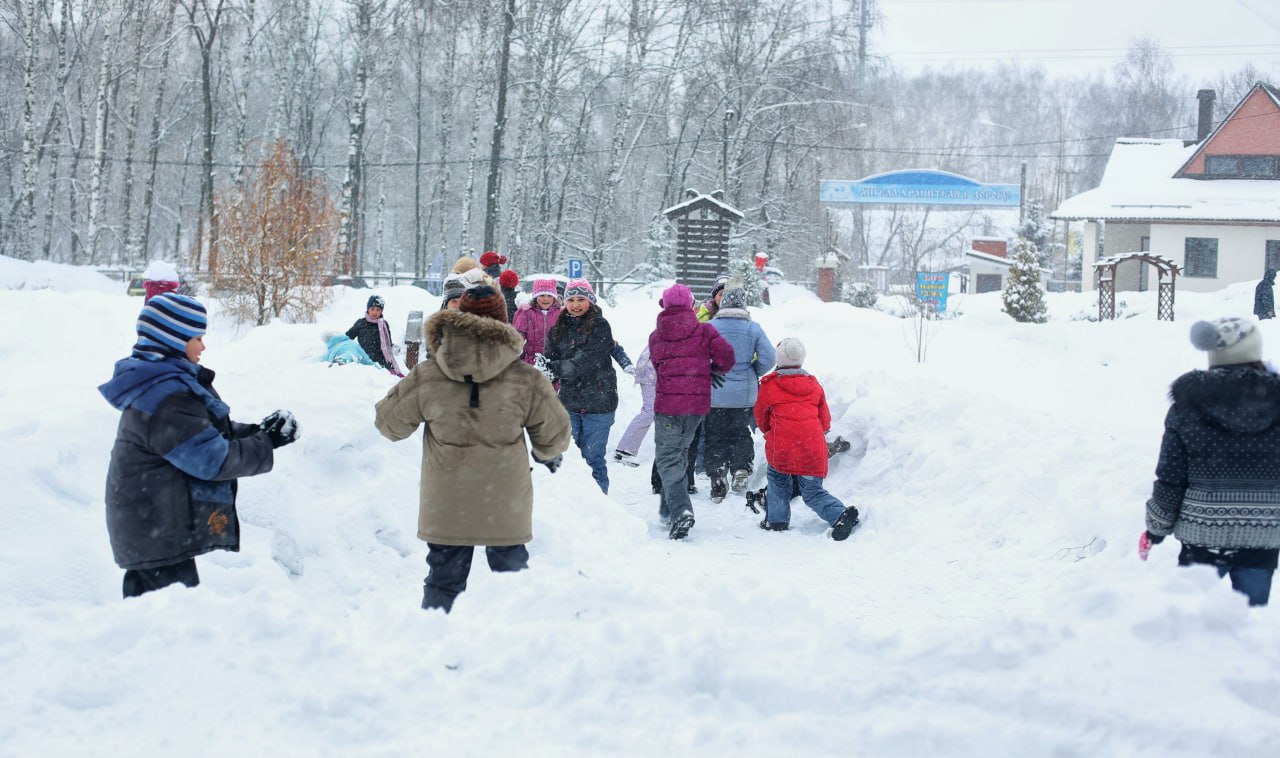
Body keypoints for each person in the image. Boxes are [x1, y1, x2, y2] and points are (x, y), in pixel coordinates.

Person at [374, 285, 571, 613]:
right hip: (505, 500)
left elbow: (389, 424)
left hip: (447, 501)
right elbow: (554, 439)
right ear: (503, 323)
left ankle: (436, 636)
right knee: (514, 588)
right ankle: (518, 641)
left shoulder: (428, 375)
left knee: (443, 585)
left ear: (457, 320)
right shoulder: (525, 379)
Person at [98, 293, 299, 598]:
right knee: (169, 618)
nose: (203, 346)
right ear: (174, 340)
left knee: (157, 616)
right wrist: (265, 443)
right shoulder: (167, 396)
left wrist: (259, 434)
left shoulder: (163, 384)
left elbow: (202, 433)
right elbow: (211, 460)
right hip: (156, 533)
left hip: (150, 528)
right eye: (197, 338)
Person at [1142, 318, 1280, 607]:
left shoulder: (1187, 406)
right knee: (1249, 621)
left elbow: (1171, 477)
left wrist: (1156, 528)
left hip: (1202, 533)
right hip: (1263, 532)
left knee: (1191, 618)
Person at [648, 282, 734, 540]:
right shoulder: (705, 331)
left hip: (668, 407)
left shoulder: (656, 336)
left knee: (668, 458)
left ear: (664, 306)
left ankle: (680, 511)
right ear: (691, 305)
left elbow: (658, 365)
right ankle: (668, 510)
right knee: (680, 454)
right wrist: (709, 370)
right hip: (695, 407)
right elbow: (727, 358)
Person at [754, 337, 860, 540]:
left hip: (782, 449)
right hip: (812, 449)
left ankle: (776, 520)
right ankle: (840, 515)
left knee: (778, 481)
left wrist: (769, 432)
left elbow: (761, 417)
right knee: (812, 492)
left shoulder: (769, 386)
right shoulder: (813, 385)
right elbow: (825, 421)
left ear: (778, 359)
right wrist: (810, 435)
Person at [543, 279, 619, 494]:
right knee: (569, 458)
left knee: (593, 457)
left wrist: (555, 367)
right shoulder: (558, 329)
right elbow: (549, 359)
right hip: (569, 401)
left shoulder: (600, 326)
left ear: (591, 301)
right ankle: (576, 506)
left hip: (600, 402)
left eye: (581, 299)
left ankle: (600, 503)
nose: (576, 304)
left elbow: (588, 361)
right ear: (564, 302)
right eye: (571, 300)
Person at [705, 284, 776, 502]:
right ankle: (741, 467)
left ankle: (717, 475)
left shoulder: (709, 327)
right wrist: (752, 371)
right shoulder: (753, 328)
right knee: (740, 432)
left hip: (715, 391)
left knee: (714, 434)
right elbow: (769, 357)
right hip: (744, 393)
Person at [613, 346, 655, 467]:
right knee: (650, 412)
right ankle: (625, 450)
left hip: (657, 373)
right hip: (651, 374)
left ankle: (626, 449)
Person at [346, 295, 404, 376]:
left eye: (378, 310)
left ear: (381, 311)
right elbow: (348, 337)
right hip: (364, 360)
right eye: (372, 309)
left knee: (392, 378)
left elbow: (387, 344)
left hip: (382, 362)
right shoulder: (361, 323)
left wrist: (393, 348)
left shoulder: (384, 325)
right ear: (368, 309)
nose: (375, 312)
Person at [511, 278, 561, 365]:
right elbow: (517, 337)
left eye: (549, 296)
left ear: (554, 297)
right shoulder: (526, 312)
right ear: (535, 297)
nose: (546, 299)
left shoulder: (560, 313)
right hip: (531, 361)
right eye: (542, 295)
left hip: (555, 362)